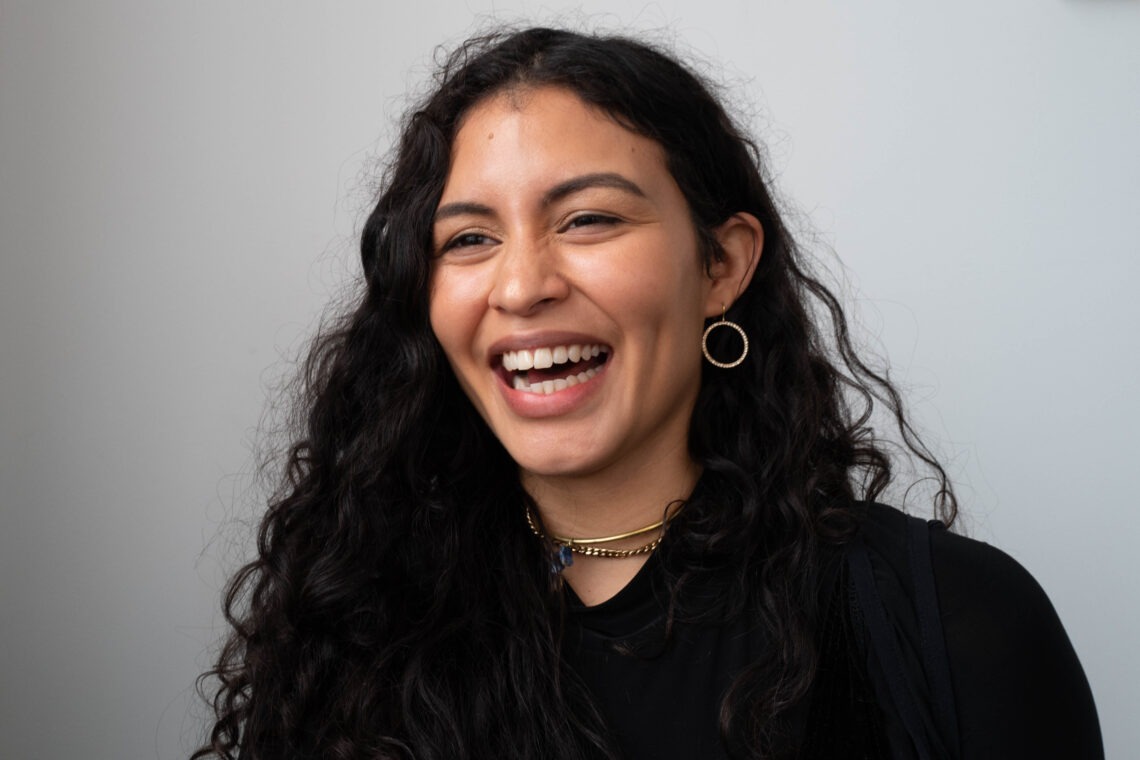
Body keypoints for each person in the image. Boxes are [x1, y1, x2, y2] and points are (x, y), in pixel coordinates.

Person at [193, 27, 1102, 760]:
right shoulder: (352, 625)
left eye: (587, 219)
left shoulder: (956, 624)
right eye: (468, 239)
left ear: (721, 265)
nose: (521, 287)